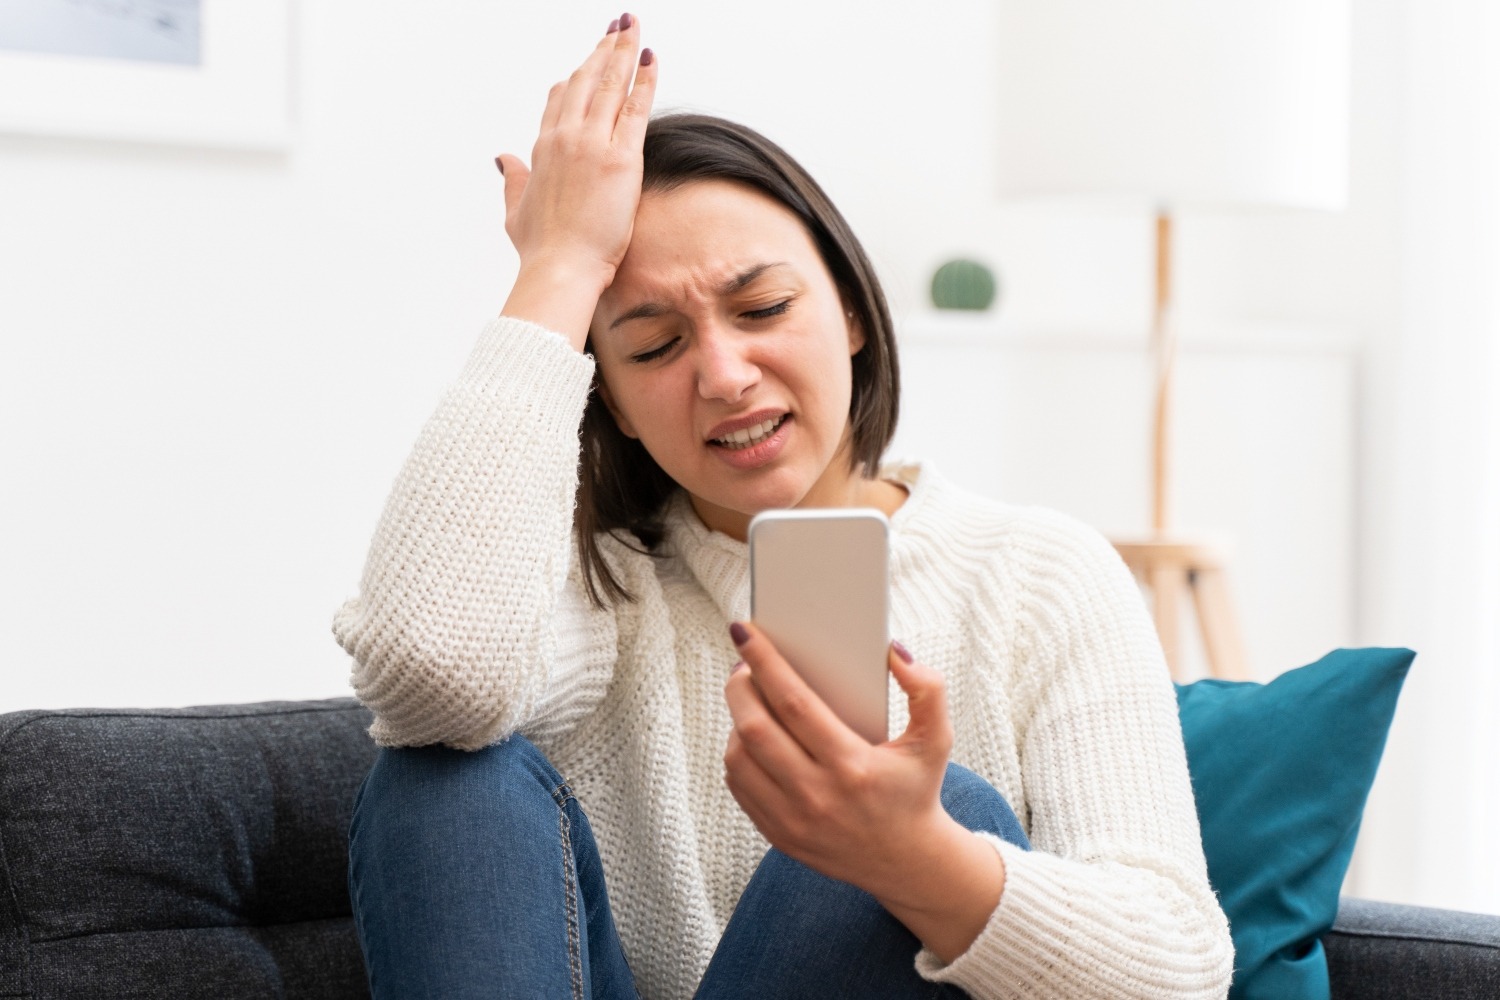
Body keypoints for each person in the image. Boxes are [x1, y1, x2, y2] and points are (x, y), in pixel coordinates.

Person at [336, 15, 1234, 1000]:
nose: (724, 375)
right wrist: (556, 271)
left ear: (850, 311)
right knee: (445, 778)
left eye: (762, 309)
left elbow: (1176, 973)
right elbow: (430, 672)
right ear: (618, 407)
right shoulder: (604, 593)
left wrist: (918, 856)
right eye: (652, 346)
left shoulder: (1038, 576)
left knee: (945, 807)